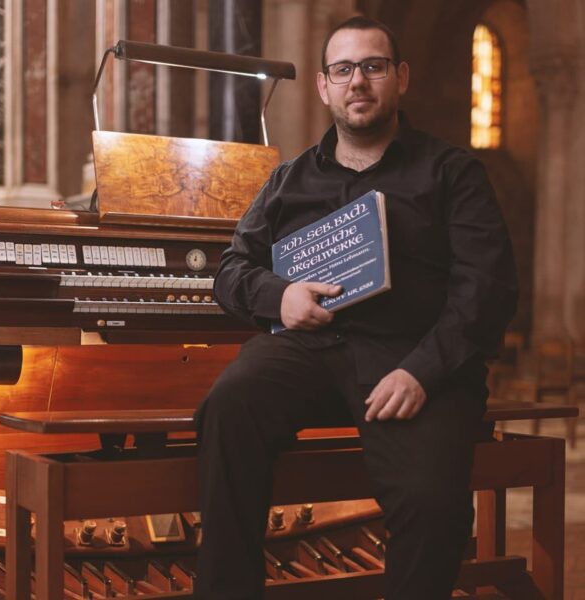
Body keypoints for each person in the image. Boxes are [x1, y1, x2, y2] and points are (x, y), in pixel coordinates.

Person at [193, 15, 518, 600]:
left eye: (373, 66)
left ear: (401, 77)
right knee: (229, 406)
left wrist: (423, 372)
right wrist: (281, 296)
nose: (358, 82)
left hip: (411, 359)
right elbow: (231, 270)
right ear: (324, 86)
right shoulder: (289, 180)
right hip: (309, 350)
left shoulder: (452, 172)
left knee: (431, 502)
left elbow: (487, 287)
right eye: (342, 70)